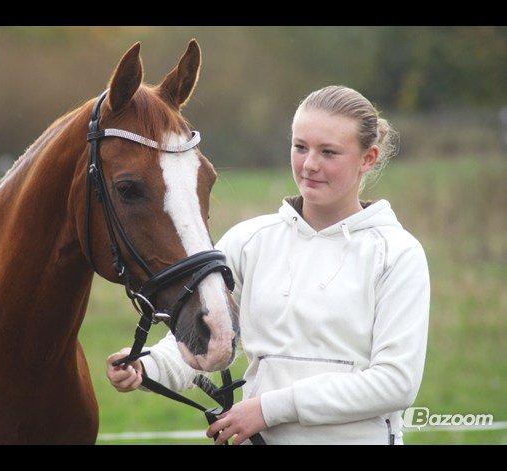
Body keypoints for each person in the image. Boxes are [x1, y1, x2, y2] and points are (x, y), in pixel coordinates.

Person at [106, 85, 430, 445]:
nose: (309, 165)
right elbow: (205, 339)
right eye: (300, 147)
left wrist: (268, 409)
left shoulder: (396, 253)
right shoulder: (249, 241)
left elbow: (395, 383)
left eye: (329, 152)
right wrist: (146, 365)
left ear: (367, 158)